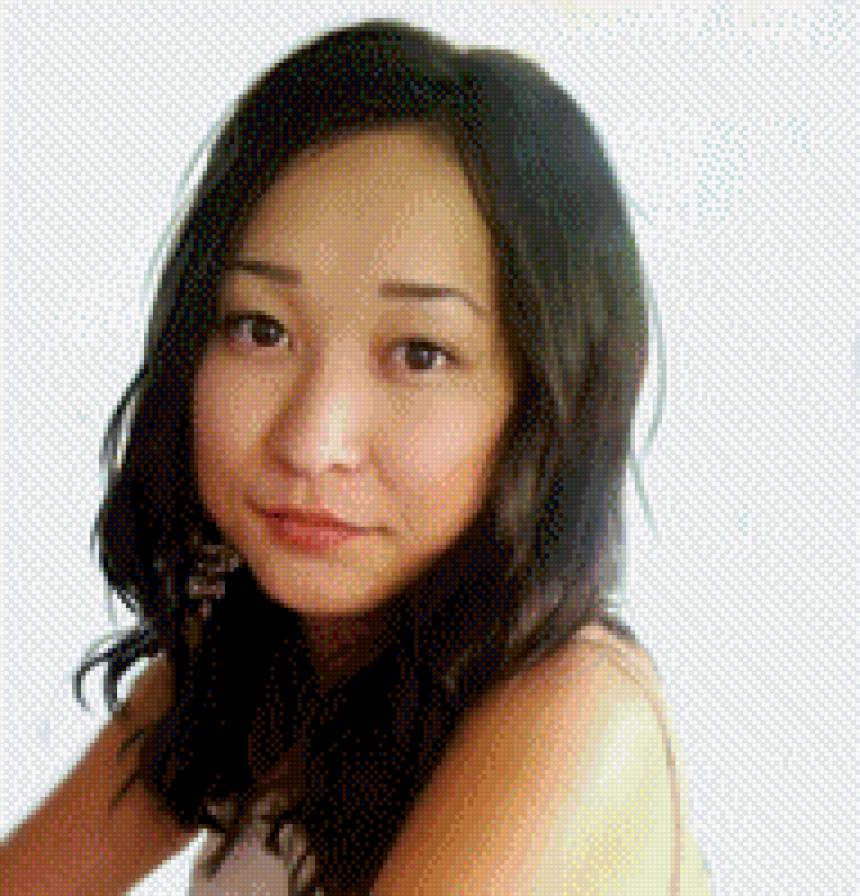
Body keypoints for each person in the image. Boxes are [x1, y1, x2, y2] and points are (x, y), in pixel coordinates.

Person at [0, 19, 712, 896]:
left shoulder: (575, 712)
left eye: (420, 353)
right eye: (262, 330)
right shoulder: (257, 658)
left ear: (547, 398)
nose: (311, 442)